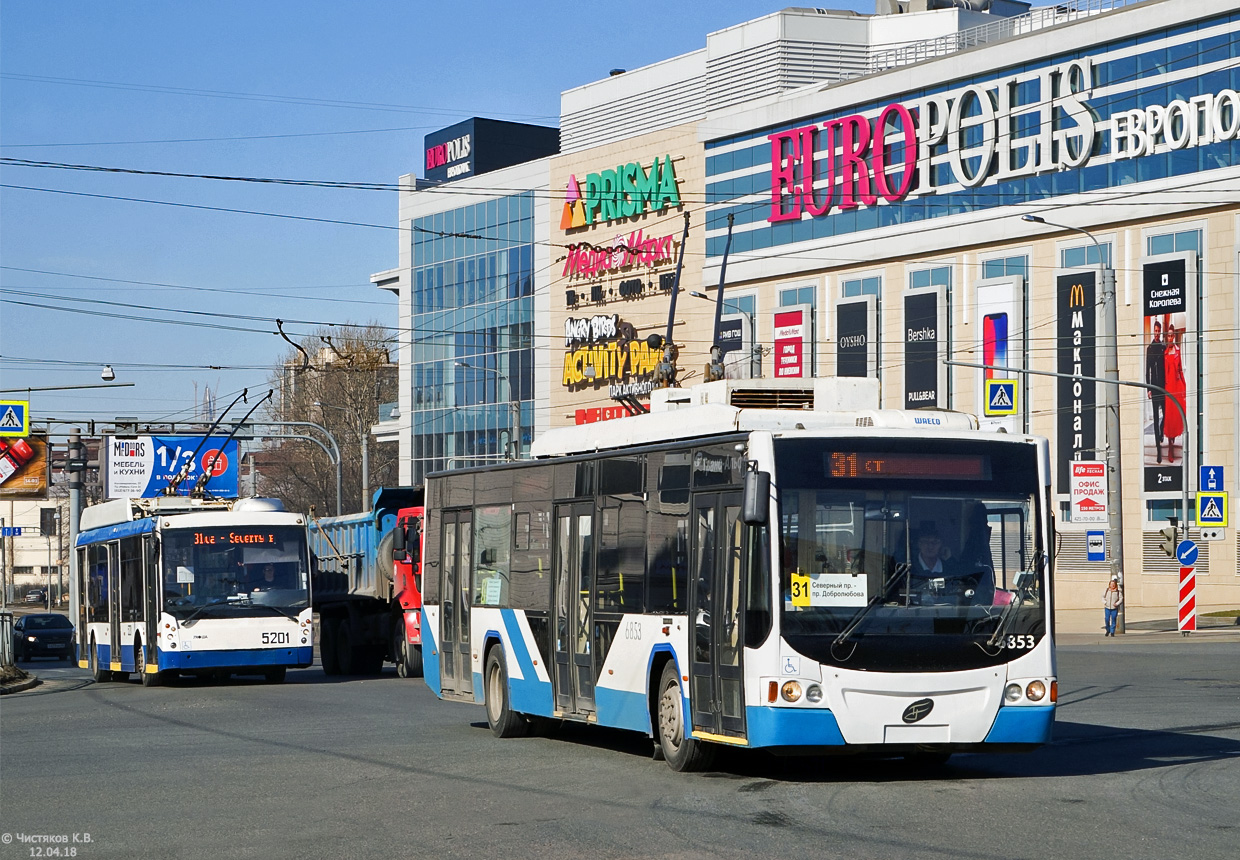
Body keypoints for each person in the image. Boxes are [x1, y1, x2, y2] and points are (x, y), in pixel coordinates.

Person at [1162, 323, 1186, 463]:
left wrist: (1184, 385)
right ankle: (1170, 446)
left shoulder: (1178, 352)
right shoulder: (1164, 353)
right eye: (1168, 336)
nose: (1170, 338)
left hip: (1176, 386)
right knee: (1169, 417)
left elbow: (1180, 370)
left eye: (1172, 335)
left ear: (1174, 337)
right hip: (1167, 388)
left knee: (1177, 415)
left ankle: (1174, 440)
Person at [1145, 320, 1166, 464]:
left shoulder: (1163, 347)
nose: (1157, 333)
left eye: (1158, 331)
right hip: (1154, 385)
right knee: (1156, 417)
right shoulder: (1150, 348)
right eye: (1155, 331)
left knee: (1165, 414)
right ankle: (1159, 451)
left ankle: (1161, 430)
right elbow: (1148, 370)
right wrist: (1148, 388)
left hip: (1163, 386)